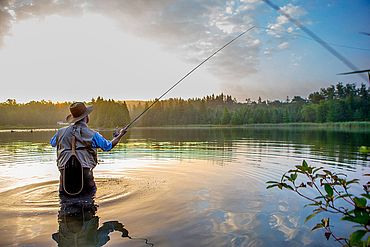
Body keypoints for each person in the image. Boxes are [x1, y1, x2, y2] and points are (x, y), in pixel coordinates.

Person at [50, 102, 127, 196]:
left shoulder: (60, 133)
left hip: (64, 187)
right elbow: (108, 146)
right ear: (86, 117)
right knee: (89, 204)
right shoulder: (93, 135)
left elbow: (52, 143)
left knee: (64, 204)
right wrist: (120, 135)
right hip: (87, 185)